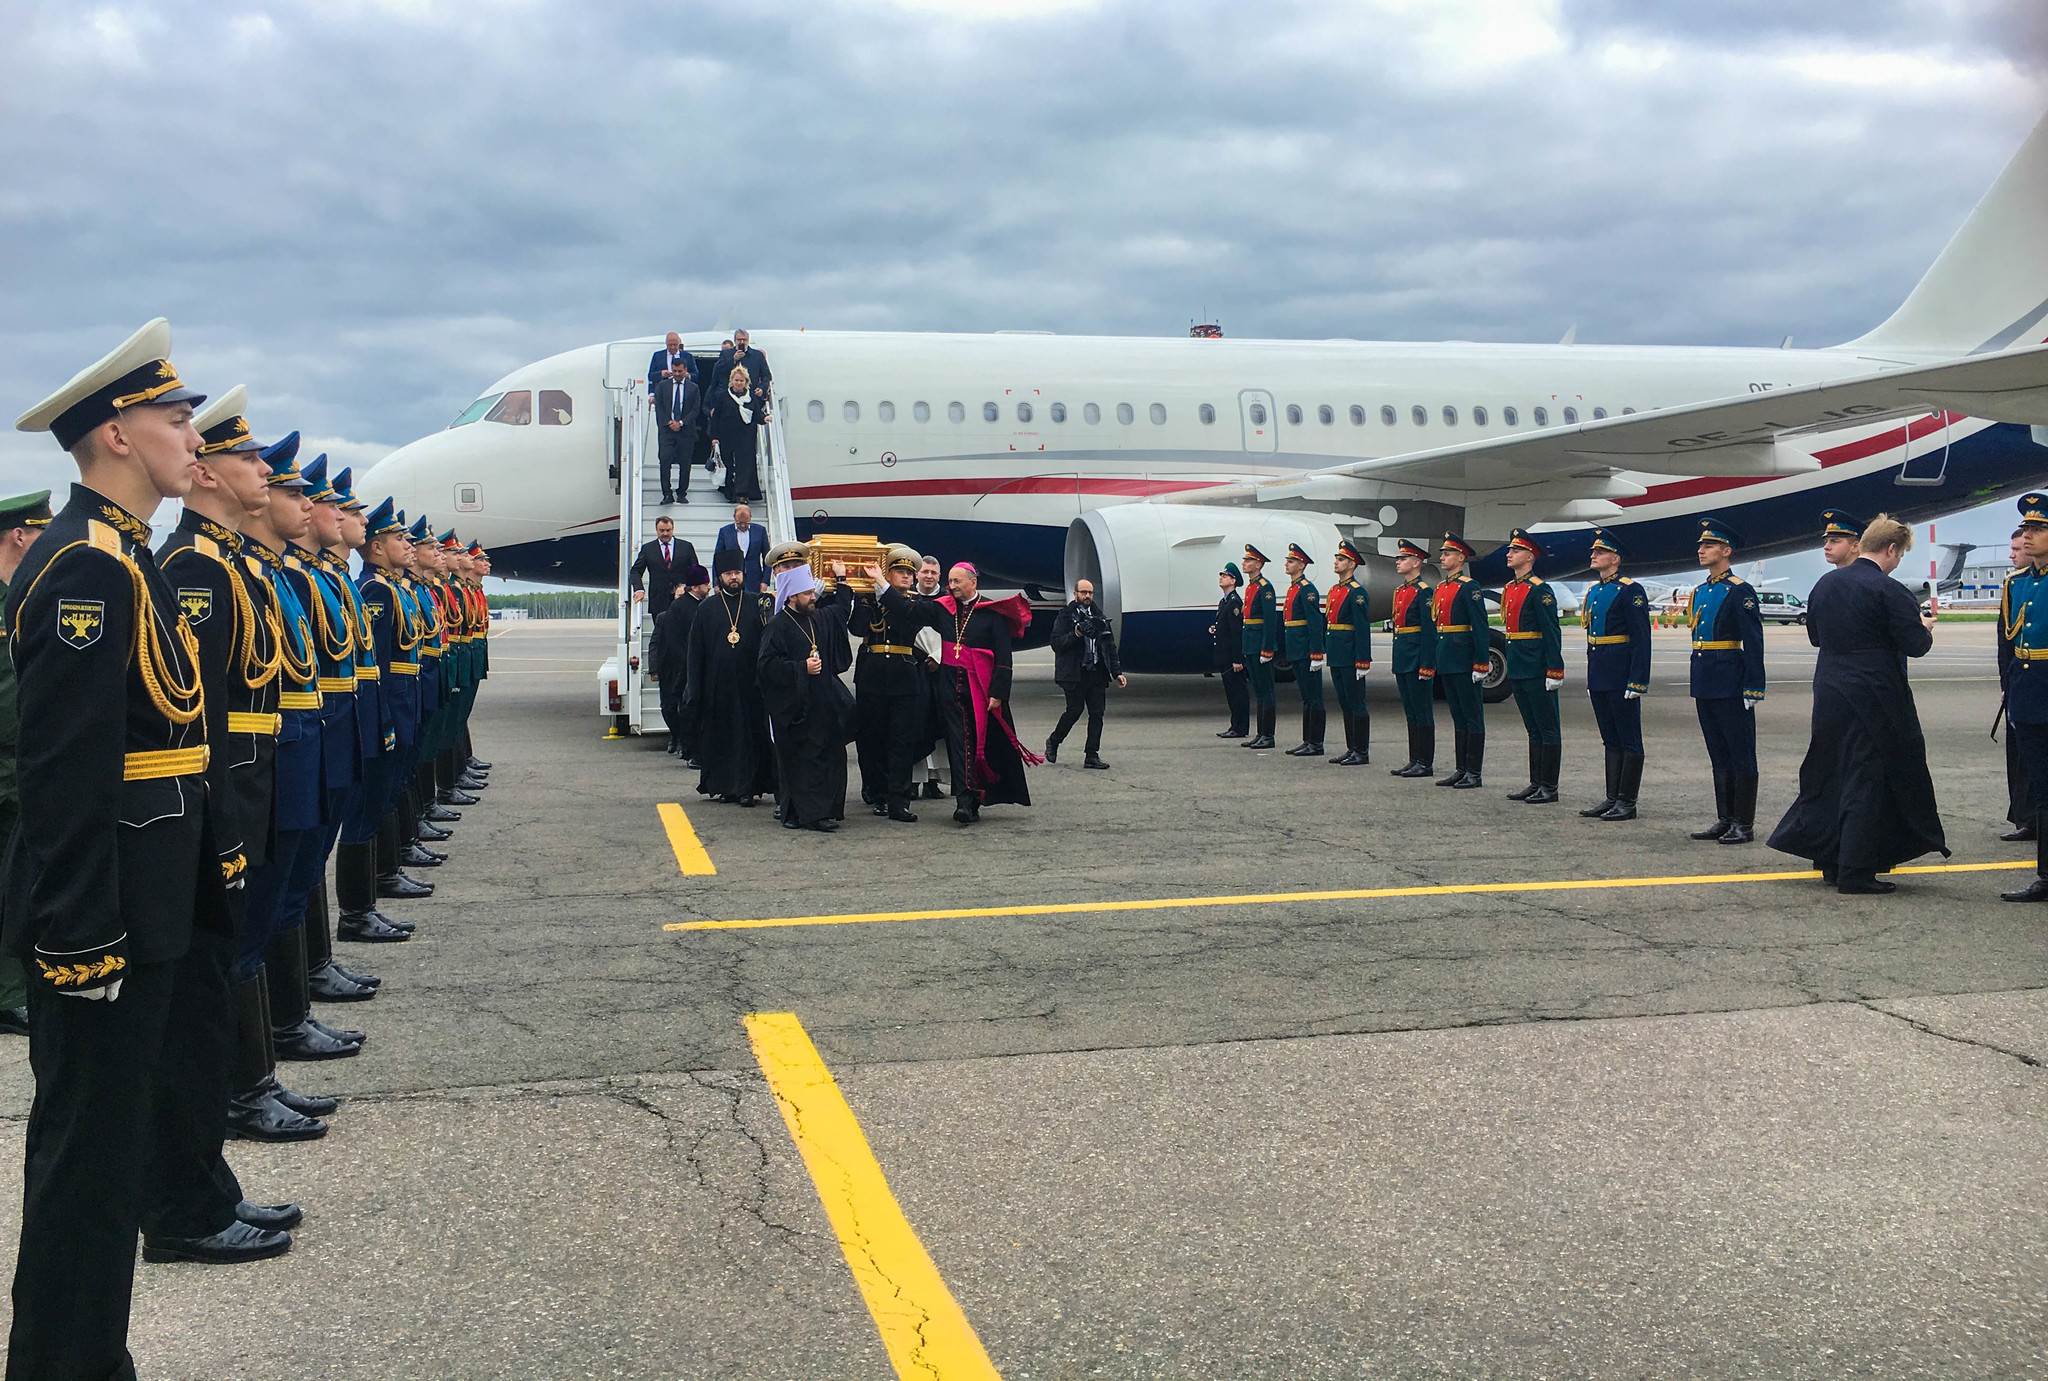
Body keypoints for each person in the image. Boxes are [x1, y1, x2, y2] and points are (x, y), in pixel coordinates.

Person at [6, 321, 275, 1378]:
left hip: (150, 894)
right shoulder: (86, 565)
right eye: (173, 419)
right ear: (116, 435)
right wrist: (80, 938)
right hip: (108, 911)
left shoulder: (123, 555)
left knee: (109, 1162)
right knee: (86, 1167)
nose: (191, 439)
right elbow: (65, 773)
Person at [1768, 515, 1947, 892]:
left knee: (1832, 773)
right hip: (1874, 695)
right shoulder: (1889, 589)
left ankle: (1831, 859)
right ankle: (1856, 870)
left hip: (1830, 689)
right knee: (1867, 778)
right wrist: (1924, 628)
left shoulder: (1825, 584)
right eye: (1900, 555)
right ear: (1891, 549)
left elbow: (1816, 637)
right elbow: (1916, 646)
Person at [876, 561, 1037, 824]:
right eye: (949, 581)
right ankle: (963, 801)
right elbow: (909, 609)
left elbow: (1003, 657)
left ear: (973, 582)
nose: (951, 586)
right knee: (957, 744)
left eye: (956, 582)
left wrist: (998, 693)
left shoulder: (991, 612)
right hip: (949, 688)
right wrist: (881, 583)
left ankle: (975, 800)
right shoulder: (944, 608)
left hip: (981, 691)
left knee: (979, 744)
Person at [824, 547, 933, 819]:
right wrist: (866, 597)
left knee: (901, 741)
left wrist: (885, 591)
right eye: (900, 571)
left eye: (910, 573)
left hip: (903, 677)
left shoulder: (914, 603)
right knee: (871, 739)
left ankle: (899, 800)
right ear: (888, 573)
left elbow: (909, 623)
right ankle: (877, 792)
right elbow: (858, 628)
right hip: (872, 675)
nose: (907, 577)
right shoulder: (869, 598)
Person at [0, 493, 51, 1039]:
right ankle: (9, 994)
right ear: (19, 536)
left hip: (21, 762)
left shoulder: (26, 594)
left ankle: (12, 989)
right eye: (41, 533)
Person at [1686, 516, 1767, 844]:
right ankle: (1725, 818)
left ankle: (1743, 823)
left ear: (1726, 550)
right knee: (1718, 752)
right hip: (1705, 678)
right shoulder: (1701, 591)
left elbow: (1754, 640)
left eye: (1709, 545)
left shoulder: (1739, 591)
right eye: (1701, 545)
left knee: (1740, 752)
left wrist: (1754, 685)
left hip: (1730, 679)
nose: (1701, 550)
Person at [758, 565, 854, 831]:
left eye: (812, 592)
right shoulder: (777, 626)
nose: (813, 597)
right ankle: (810, 815)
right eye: (807, 594)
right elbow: (766, 666)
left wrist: (842, 580)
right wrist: (802, 667)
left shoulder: (816, 619)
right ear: (791, 596)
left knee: (826, 757)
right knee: (803, 762)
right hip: (794, 709)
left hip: (821, 703)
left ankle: (822, 810)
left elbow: (841, 611)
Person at [681, 547, 777, 805]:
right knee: (722, 736)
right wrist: (696, 689)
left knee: (749, 738)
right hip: (718, 686)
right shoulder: (707, 608)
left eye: (737, 572)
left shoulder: (757, 604)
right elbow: (695, 652)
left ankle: (748, 788)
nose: (733, 577)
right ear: (719, 577)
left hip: (751, 685)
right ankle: (725, 786)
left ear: (743, 574)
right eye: (728, 574)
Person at [1578, 526, 1653, 821]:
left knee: (1629, 738)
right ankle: (1612, 797)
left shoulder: (1630, 590)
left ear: (1616, 558)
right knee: (1610, 738)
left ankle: (1627, 801)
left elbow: (1641, 638)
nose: (1593, 555)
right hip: (1600, 671)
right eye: (1593, 551)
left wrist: (1638, 679)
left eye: (1600, 552)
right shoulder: (1596, 591)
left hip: (1621, 672)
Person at [2000, 495, 2048, 902]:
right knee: (2043, 790)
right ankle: (2046, 877)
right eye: (2026, 529)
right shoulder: (2017, 583)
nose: (2027, 536)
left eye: (2037, 529)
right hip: (2030, 696)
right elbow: (2013, 646)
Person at [1499, 529, 1564, 804]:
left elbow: (1551, 631)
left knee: (1547, 727)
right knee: (1533, 728)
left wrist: (1554, 669)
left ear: (1529, 556)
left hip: (1536, 665)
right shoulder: (1512, 588)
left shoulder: (1539, 590)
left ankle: (1549, 786)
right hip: (1518, 664)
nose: (1509, 554)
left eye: (1515, 550)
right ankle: (1536, 782)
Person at [1045, 577, 1125, 769]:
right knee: (1074, 711)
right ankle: (1054, 741)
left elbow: (1110, 646)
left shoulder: (1100, 617)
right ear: (1075, 594)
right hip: (1075, 672)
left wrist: (1117, 672)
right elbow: (1056, 643)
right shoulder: (1065, 616)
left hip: (1096, 672)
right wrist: (1076, 634)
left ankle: (1091, 755)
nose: (1087, 596)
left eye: (1090, 593)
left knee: (1097, 713)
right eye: (1083, 592)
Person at [1432, 533, 1489, 789]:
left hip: (1464, 657)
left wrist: (1481, 662)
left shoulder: (1469, 587)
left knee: (1472, 716)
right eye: (1442, 554)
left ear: (1460, 558)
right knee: (1458, 716)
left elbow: (1480, 626)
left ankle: (1474, 772)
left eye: (1447, 554)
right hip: (1447, 656)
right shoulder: (1442, 587)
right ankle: (1461, 768)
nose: (1443, 558)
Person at [1386, 539, 1438, 778]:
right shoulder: (1400, 591)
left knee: (1422, 711)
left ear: (1416, 562)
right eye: (1398, 558)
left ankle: (1425, 762)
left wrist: (1427, 664)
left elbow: (1429, 632)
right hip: (1403, 656)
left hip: (1417, 657)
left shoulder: (1424, 592)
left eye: (1403, 558)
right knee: (1410, 711)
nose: (1398, 562)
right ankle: (1414, 759)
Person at [1323, 538, 1371, 765]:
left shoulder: (1356, 592)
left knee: (1356, 702)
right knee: (1344, 702)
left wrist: (1363, 660)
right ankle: (1351, 747)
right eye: (1336, 558)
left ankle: (1361, 750)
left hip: (1350, 654)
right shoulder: (1335, 590)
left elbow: (1362, 629)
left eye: (1341, 559)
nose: (1336, 562)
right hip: (1337, 653)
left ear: (1352, 564)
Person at [652, 563, 708, 756]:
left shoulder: (704, 605)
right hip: (681, 668)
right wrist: (690, 662)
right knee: (679, 708)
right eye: (705, 584)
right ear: (695, 587)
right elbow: (672, 641)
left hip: (698, 667)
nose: (709, 587)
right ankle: (683, 742)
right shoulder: (678, 607)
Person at [2000, 527, 2034, 842]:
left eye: (2016, 549)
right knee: (2020, 754)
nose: (2012, 555)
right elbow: (2005, 642)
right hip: (2021, 681)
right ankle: (2025, 816)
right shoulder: (2013, 584)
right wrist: (2006, 683)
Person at [1279, 543, 1327, 756]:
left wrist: (1316, 653)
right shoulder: (1294, 588)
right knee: (1306, 697)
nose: (1287, 564)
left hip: (1306, 650)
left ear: (1301, 565)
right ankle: (1307, 740)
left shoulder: (1307, 590)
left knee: (1314, 697)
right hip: (1296, 649)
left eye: (1291, 561)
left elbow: (1314, 623)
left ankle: (1316, 742)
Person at [911, 557, 948, 797]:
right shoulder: (907, 598)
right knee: (915, 725)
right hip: (914, 670)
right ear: (917, 574)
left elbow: (955, 633)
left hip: (940, 670)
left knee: (939, 724)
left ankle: (933, 781)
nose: (929, 576)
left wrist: (938, 657)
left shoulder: (947, 600)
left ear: (939, 576)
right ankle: (914, 780)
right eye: (925, 572)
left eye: (933, 573)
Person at [1238, 544, 1279, 749]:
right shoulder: (1251, 587)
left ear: (1258, 564)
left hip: (1260, 644)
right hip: (1251, 643)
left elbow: (1270, 621)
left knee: (1266, 690)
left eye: (1249, 560)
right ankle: (1261, 733)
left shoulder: (1265, 587)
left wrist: (1267, 648)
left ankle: (1268, 735)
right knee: (1259, 691)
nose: (1244, 563)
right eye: (1245, 560)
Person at [708, 364, 767, 502]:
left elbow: (757, 414)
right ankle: (729, 492)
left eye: (741, 380)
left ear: (746, 382)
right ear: (731, 381)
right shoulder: (723, 396)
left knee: (745, 464)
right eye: (736, 380)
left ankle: (743, 494)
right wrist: (714, 437)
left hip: (746, 436)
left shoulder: (751, 396)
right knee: (728, 463)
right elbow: (716, 418)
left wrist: (765, 418)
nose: (739, 383)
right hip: (727, 436)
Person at [653, 360, 701, 505]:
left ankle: (682, 493)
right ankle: (667, 494)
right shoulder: (663, 386)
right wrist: (669, 422)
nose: (677, 374)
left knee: (685, 463)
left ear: (685, 370)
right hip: (667, 431)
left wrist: (681, 423)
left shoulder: (693, 388)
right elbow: (659, 406)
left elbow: (695, 409)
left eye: (680, 371)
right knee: (665, 460)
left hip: (685, 431)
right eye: (675, 371)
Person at [630, 514, 695, 621]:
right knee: (661, 629)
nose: (665, 533)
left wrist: (687, 588)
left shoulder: (686, 547)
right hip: (658, 600)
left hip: (682, 598)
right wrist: (639, 589)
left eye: (668, 530)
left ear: (673, 529)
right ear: (656, 530)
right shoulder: (648, 549)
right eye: (661, 530)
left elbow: (695, 570)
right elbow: (635, 571)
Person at [1210, 562, 1248, 738]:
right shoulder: (1224, 601)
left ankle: (1240, 727)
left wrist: (1237, 659)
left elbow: (1236, 632)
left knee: (1237, 692)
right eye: (1221, 575)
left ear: (1233, 581)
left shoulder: (1234, 602)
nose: (1221, 578)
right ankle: (1235, 725)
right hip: (1224, 656)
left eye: (1225, 576)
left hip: (1232, 657)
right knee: (1231, 692)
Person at [715, 502, 770, 593]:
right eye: (739, 523)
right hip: (732, 580)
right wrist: (717, 583)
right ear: (734, 517)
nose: (743, 525)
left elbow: (767, 557)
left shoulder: (760, 531)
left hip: (754, 579)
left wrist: (765, 581)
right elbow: (717, 558)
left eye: (746, 523)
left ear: (750, 517)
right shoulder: (725, 532)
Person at [710, 328, 772, 404]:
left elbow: (767, 376)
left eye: (744, 340)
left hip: (750, 398)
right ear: (735, 341)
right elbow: (717, 372)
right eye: (739, 340)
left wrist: (762, 388)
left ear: (748, 341)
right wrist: (733, 360)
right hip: (728, 398)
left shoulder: (758, 355)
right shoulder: (726, 354)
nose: (742, 342)